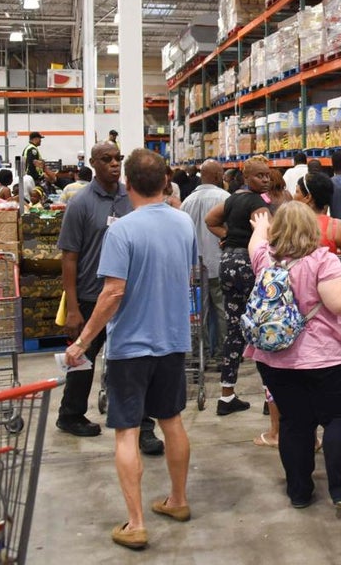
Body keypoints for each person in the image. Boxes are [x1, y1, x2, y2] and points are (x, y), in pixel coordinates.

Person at [64, 149, 196, 551]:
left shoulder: (122, 231)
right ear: (165, 182)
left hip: (132, 346)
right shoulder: (183, 222)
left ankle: (135, 523)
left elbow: (112, 294)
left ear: (128, 183)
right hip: (173, 340)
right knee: (171, 420)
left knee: (125, 431)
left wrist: (82, 341)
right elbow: (185, 275)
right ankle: (178, 500)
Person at [245, 202, 341, 513]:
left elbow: (256, 241)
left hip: (275, 359)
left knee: (294, 422)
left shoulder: (265, 258)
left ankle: (299, 491)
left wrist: (262, 224)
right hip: (324, 357)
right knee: (339, 419)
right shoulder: (323, 260)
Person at [56, 142, 164, 454]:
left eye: (118, 158)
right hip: (93, 295)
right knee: (83, 357)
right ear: (92, 163)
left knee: (137, 361)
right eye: (106, 159)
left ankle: (144, 427)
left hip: (130, 295)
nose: (114, 164)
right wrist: (73, 307)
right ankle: (70, 414)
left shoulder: (130, 197)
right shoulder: (80, 204)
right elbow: (69, 259)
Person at [204, 157, 277, 415]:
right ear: (247, 177)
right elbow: (267, 236)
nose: (266, 180)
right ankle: (272, 399)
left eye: (268, 176)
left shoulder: (232, 199)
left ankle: (226, 395)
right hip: (249, 266)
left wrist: (228, 237)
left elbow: (210, 220)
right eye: (260, 176)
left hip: (227, 263)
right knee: (263, 326)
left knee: (235, 328)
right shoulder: (259, 206)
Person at [180, 160, 230, 360]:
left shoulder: (187, 202)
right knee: (222, 311)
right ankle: (223, 355)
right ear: (217, 176)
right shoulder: (225, 198)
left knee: (198, 315)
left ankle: (201, 355)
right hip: (219, 263)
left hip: (194, 266)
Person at [293, 172, 341, 285]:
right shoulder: (337, 227)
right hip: (326, 296)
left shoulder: (288, 225)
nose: (293, 196)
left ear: (308, 197)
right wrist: (338, 289)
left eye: (297, 192)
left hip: (295, 296)